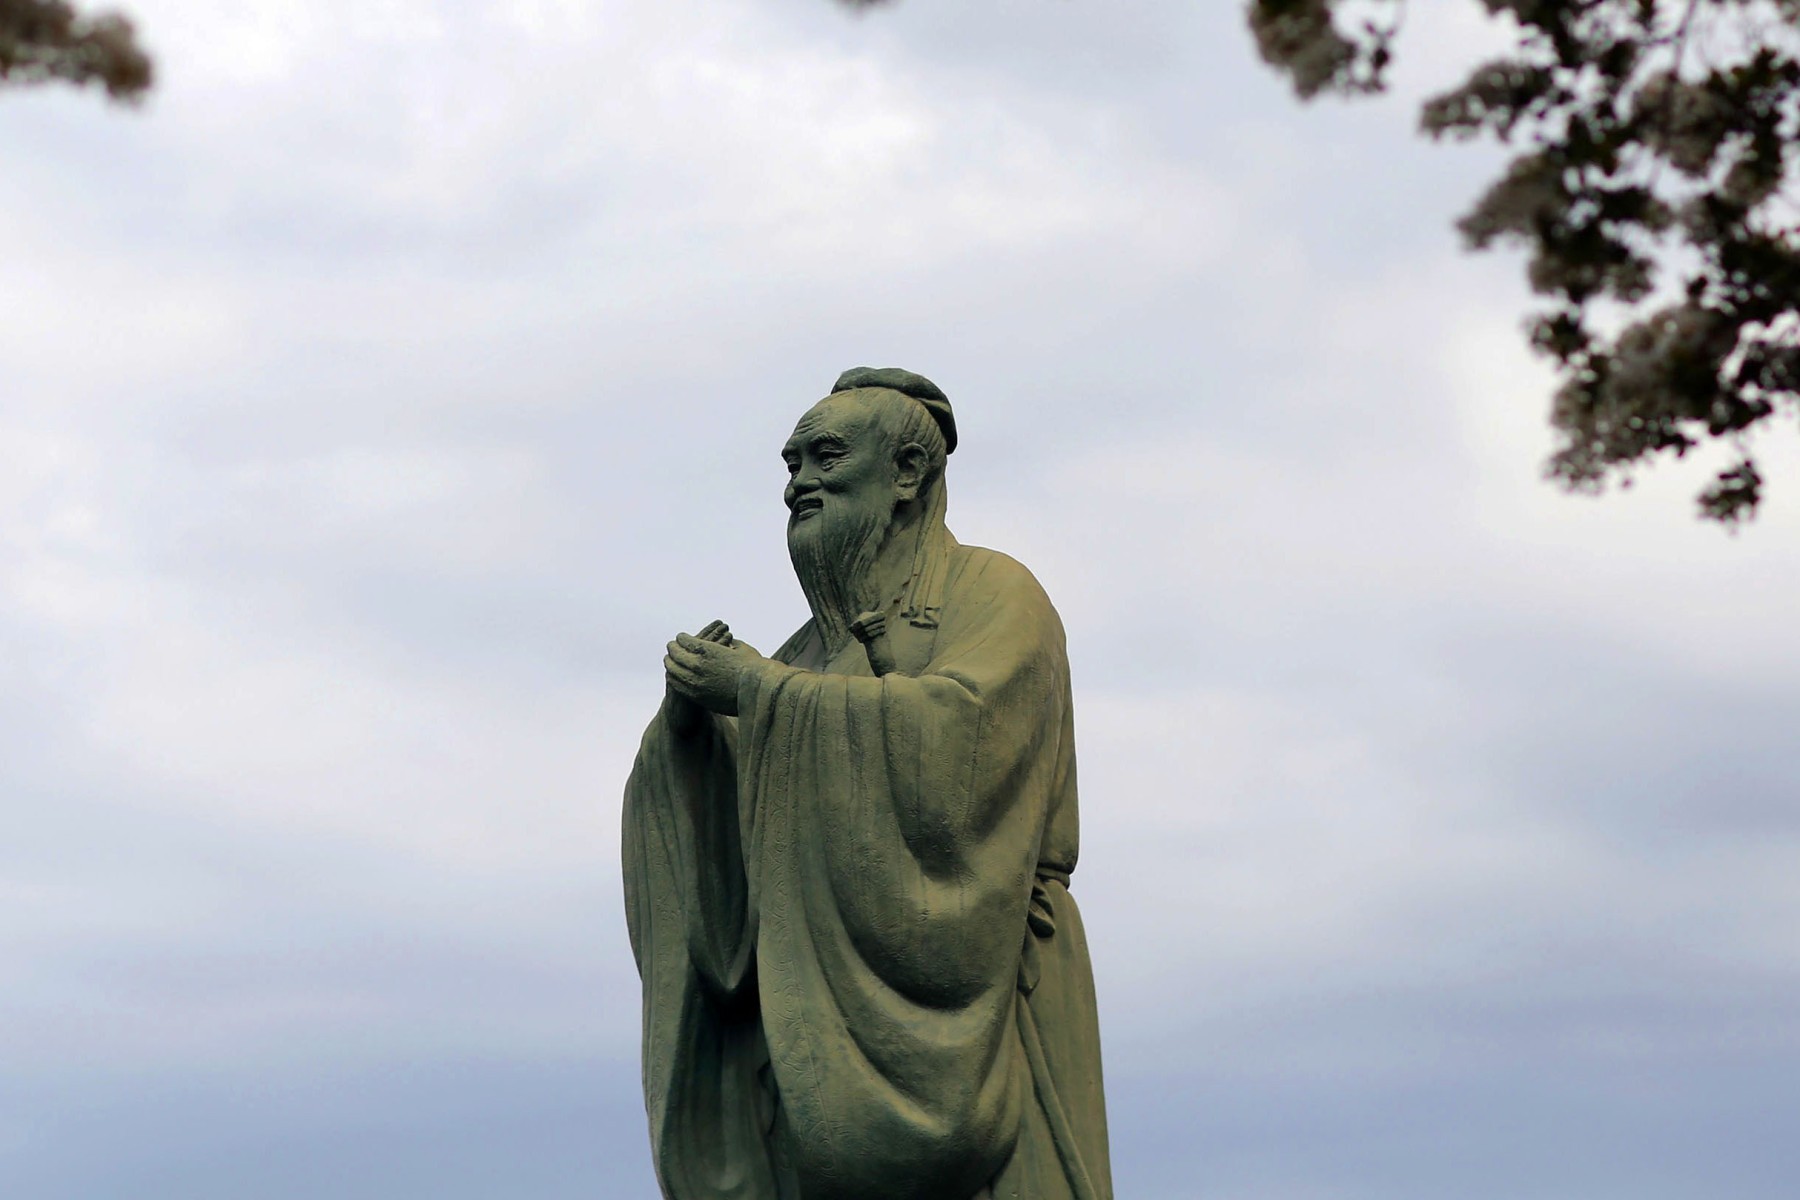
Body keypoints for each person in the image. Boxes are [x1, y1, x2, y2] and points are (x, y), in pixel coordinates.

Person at [623, 367, 1112, 1200]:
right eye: (790, 465)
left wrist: (756, 695)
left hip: (990, 1006)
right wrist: (691, 738)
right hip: (815, 1041)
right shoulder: (805, 651)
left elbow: (964, 735)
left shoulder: (995, 595)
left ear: (908, 476)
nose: (799, 485)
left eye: (825, 456)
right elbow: (737, 852)